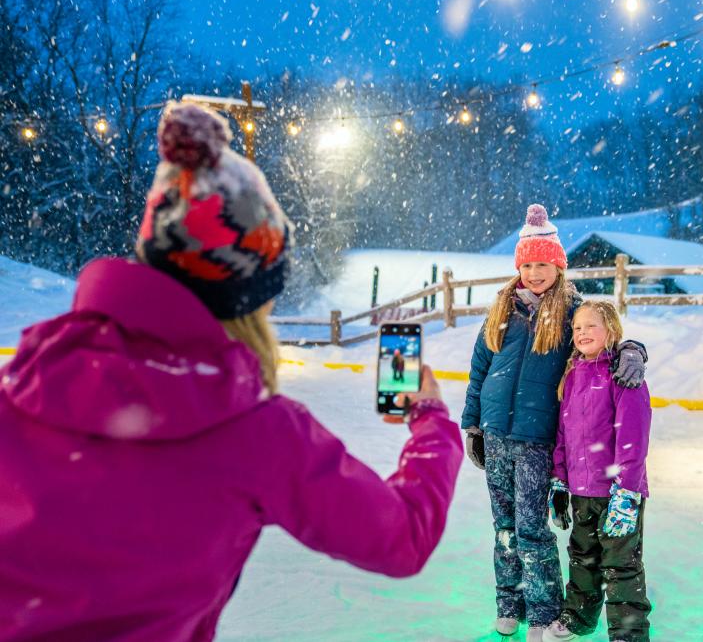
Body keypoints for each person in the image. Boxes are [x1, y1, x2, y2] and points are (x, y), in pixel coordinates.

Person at [0, 102, 463, 642]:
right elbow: (403, 535)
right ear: (248, 300)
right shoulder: (259, 433)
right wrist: (429, 418)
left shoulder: (23, 383)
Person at [461, 204, 648, 642]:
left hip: (536, 439)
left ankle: (545, 612)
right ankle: (511, 604)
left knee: (531, 528)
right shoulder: (502, 309)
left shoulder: (570, 310)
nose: (534, 272)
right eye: (526, 264)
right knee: (503, 527)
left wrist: (633, 350)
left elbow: (603, 338)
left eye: (542, 263)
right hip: (496, 432)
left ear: (558, 265)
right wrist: (472, 424)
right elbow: (478, 370)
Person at [543, 300, 652, 642]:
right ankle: (579, 618)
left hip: (617, 492)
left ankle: (628, 635)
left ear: (611, 330)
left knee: (621, 568)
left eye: (591, 326)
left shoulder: (621, 374)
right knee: (583, 559)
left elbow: (633, 437)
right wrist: (560, 483)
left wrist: (627, 491)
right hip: (581, 491)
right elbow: (563, 435)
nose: (583, 333)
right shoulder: (573, 375)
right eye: (577, 328)